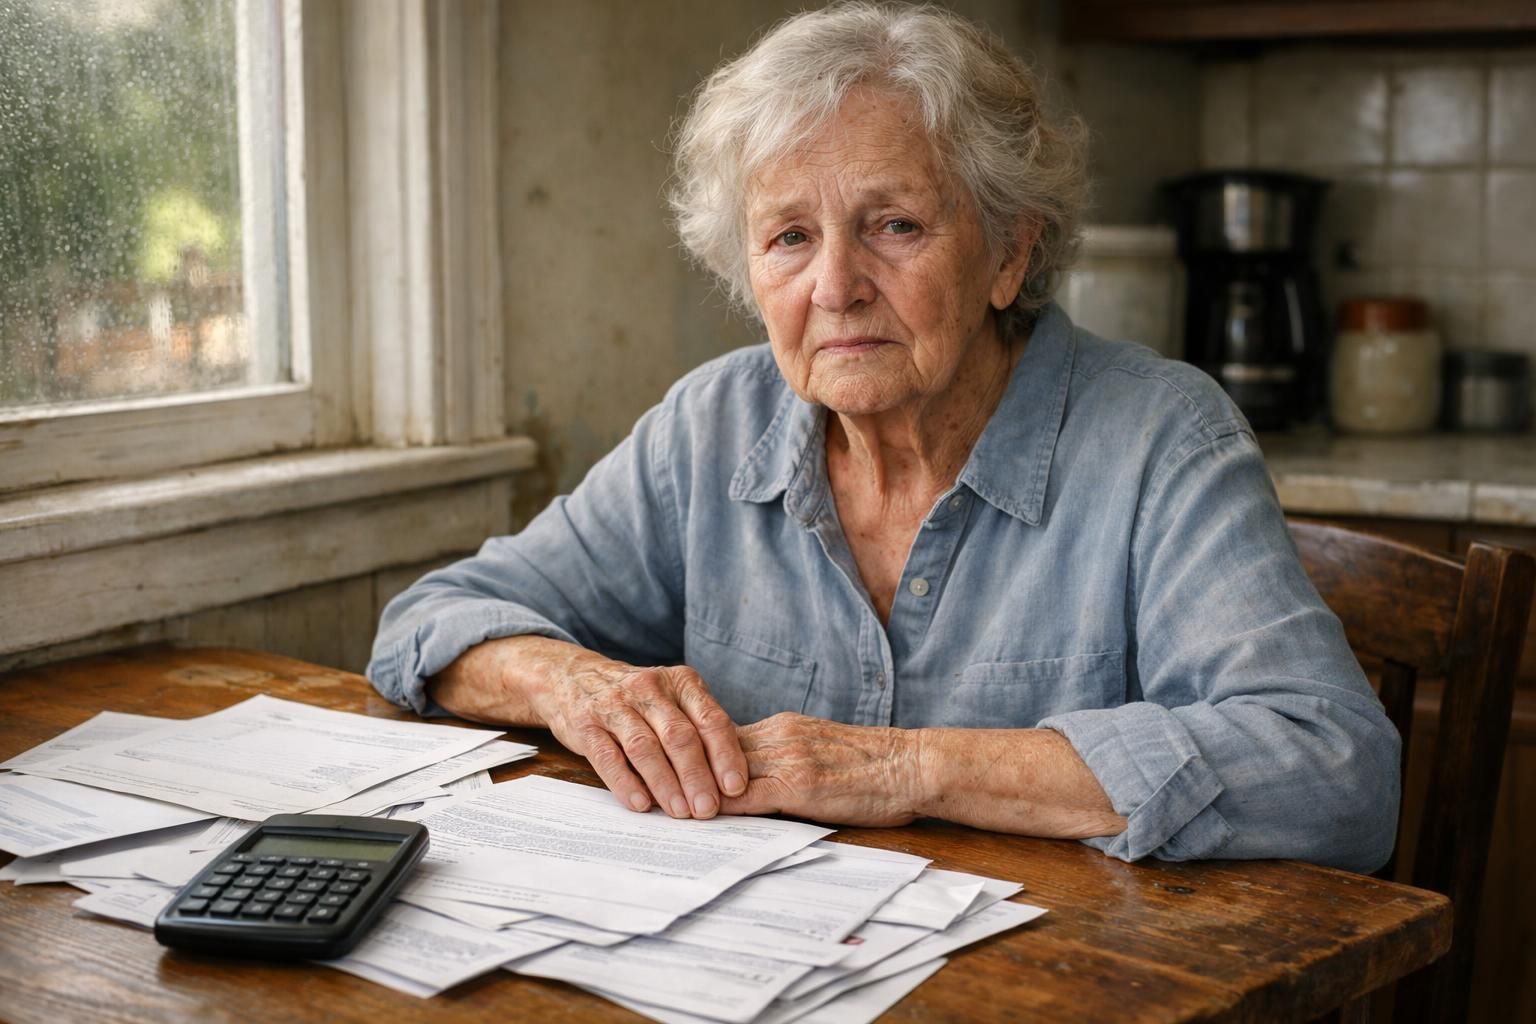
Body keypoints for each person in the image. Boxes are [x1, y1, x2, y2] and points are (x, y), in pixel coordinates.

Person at [368, 1, 1399, 872]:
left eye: (895, 224)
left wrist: (904, 766)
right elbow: (428, 623)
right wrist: (573, 682)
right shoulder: (711, 428)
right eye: (789, 238)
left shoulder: (1161, 441)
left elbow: (1336, 772)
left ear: (1008, 253)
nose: (836, 288)